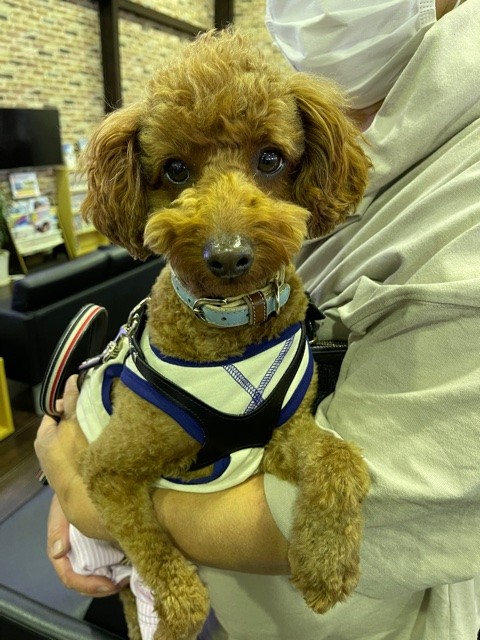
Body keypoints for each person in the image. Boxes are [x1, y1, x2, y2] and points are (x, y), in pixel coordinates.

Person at [35, 0, 480, 638]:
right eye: (177, 171)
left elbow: (391, 491)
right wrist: (87, 501)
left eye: (267, 162)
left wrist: (79, 496)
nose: (227, 243)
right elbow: (112, 468)